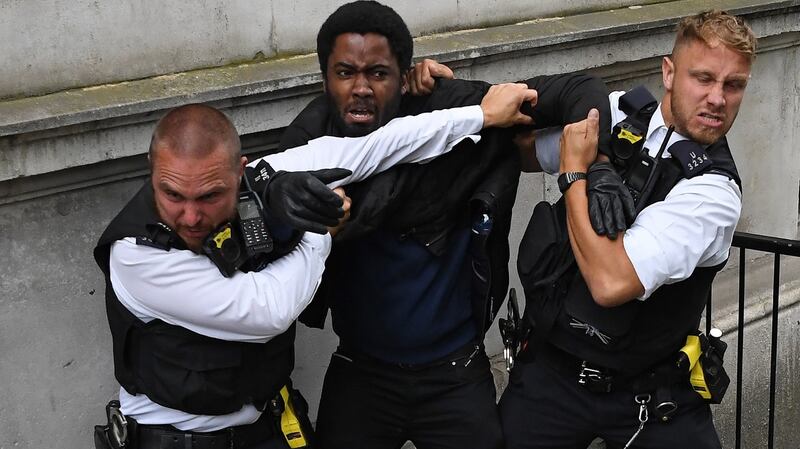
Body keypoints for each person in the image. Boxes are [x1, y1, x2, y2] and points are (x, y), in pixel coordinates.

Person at [92, 85, 538, 449]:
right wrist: (321, 231)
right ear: (152, 172)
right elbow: (267, 309)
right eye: (172, 195)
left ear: (240, 172)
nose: (190, 216)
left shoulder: (258, 181)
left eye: (209, 196)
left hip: (263, 428)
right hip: (177, 441)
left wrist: (479, 117)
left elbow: (370, 149)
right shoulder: (136, 254)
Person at [277, 2, 614, 448]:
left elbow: (580, 90)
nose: (361, 88)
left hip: (455, 375)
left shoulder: (453, 113)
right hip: (361, 374)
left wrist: (602, 163)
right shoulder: (308, 144)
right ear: (325, 79)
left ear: (405, 76)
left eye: (378, 74)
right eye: (345, 73)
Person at [500, 10, 755, 448]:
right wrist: (598, 158)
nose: (717, 98)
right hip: (552, 374)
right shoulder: (621, 112)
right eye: (704, 78)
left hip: (650, 397)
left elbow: (610, 281)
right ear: (669, 73)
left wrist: (576, 174)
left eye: (733, 85)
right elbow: (521, 149)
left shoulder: (714, 191)